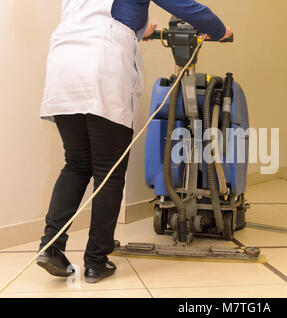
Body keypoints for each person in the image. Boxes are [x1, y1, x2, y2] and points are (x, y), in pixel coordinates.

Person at [37, 0, 233, 284]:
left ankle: (51, 248)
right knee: (109, 172)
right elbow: (186, 7)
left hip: (63, 66)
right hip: (101, 68)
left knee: (77, 165)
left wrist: (142, 29)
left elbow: (106, 15)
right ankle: (95, 261)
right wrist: (218, 30)